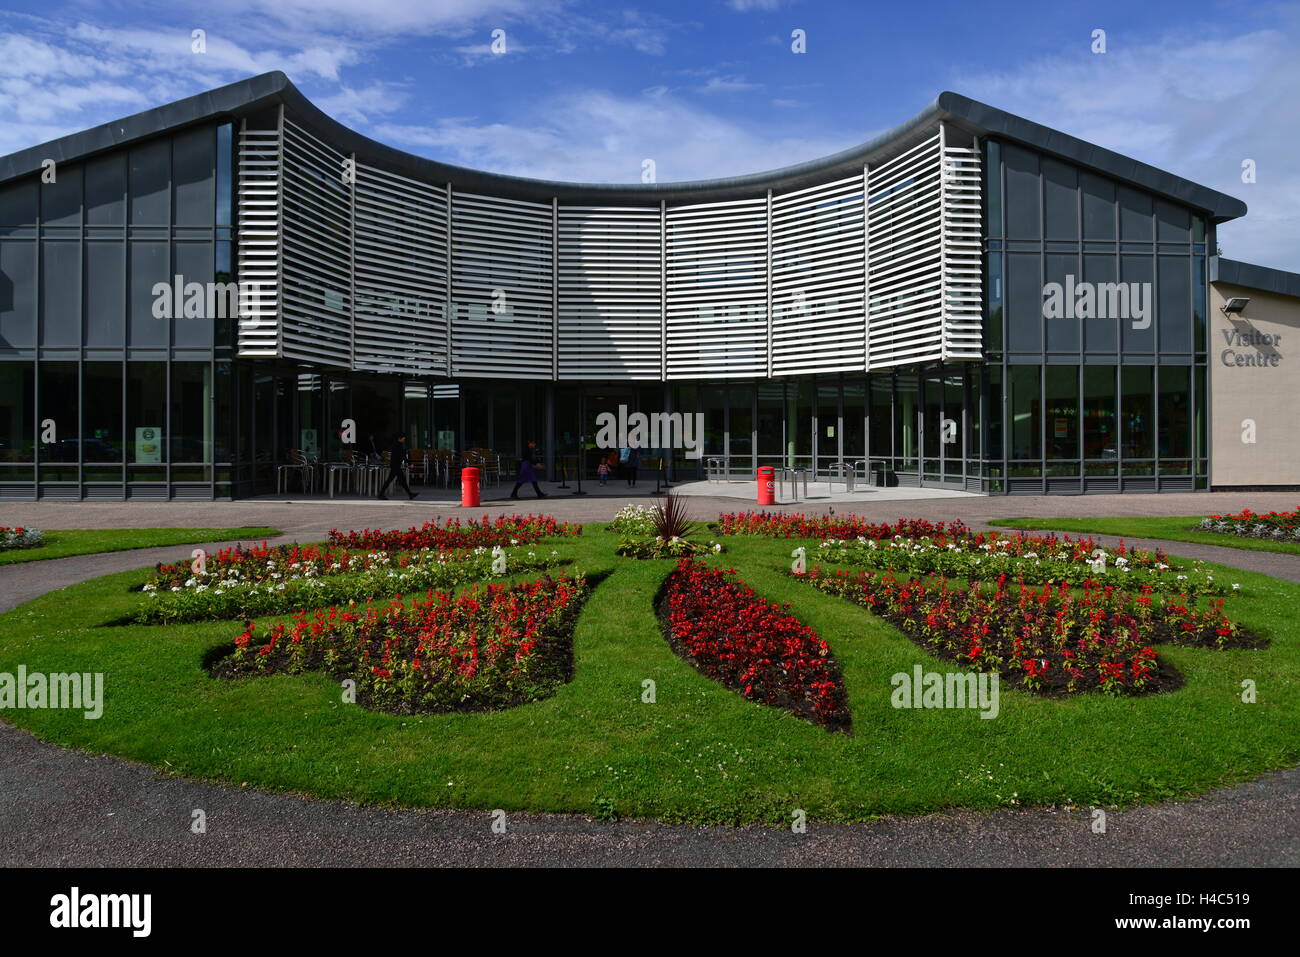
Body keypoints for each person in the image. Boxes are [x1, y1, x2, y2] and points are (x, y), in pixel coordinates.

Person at [378, 432, 418, 500]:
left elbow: (402, 455)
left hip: (395, 465)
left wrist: (408, 462)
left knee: (401, 481)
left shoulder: (397, 444)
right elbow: (402, 456)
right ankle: (381, 494)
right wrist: (409, 463)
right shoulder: (398, 445)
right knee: (391, 480)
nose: (404, 439)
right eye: (403, 438)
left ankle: (410, 494)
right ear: (400, 438)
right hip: (395, 466)